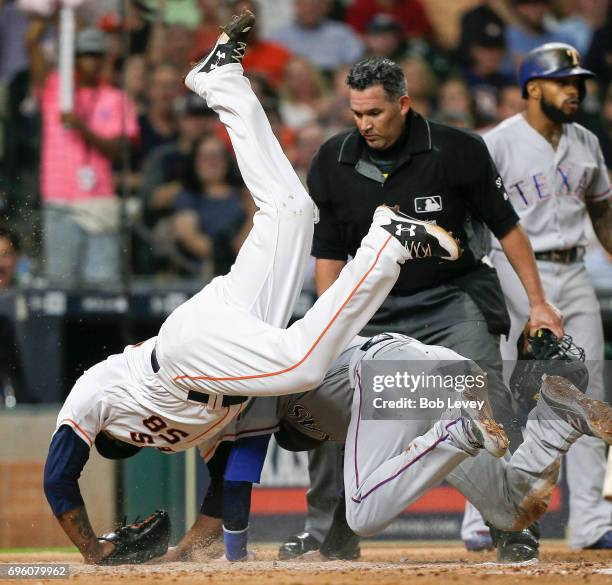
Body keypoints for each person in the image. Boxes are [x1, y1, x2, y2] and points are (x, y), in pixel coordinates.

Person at [42, 10, 461, 565]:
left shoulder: (99, 389)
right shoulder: (205, 427)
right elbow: (234, 480)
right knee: (291, 213)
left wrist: (94, 550)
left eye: (135, 441)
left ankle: (385, 246)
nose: (141, 442)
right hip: (223, 341)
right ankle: (222, 82)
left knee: (304, 365)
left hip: (187, 352)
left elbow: (59, 476)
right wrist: (211, 556)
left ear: (126, 442)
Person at [279, 55, 563, 561]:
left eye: (376, 113)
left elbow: (507, 228)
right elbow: (327, 253)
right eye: (357, 114)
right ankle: (330, 528)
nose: (365, 125)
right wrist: (327, 332)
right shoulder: (331, 159)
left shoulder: (458, 150)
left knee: (482, 390)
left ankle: (509, 525)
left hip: (453, 298)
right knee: (318, 391)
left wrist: (539, 304)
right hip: (373, 307)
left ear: (404, 104)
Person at [153, 332, 612, 564]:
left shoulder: (259, 379)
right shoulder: (332, 413)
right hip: (446, 371)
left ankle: (459, 431)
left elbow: (233, 481)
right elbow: (368, 476)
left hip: (392, 373)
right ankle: (555, 422)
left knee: (364, 514)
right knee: (513, 511)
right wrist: (331, 551)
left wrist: (208, 552)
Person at [485, 42, 612, 550]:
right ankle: (489, 513)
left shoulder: (586, 140)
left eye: (577, 83)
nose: (574, 90)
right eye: (564, 81)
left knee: (591, 396)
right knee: (511, 393)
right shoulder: (499, 143)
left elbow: (601, 210)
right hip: (515, 271)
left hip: (574, 268)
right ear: (533, 88)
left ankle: (589, 522)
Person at [25, 21, 139, 286]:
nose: (94, 61)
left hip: (100, 200)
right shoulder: (55, 88)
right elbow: (31, 44)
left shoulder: (116, 97)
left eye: (99, 55)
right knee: (61, 283)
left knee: (102, 286)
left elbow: (121, 150)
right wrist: (46, 15)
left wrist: (81, 127)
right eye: (87, 54)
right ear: (74, 59)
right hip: (59, 198)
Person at [266, 0, 364, 73]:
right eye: (306, 5)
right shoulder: (277, 37)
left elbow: (356, 65)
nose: (310, 9)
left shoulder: (343, 34)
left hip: (334, 89)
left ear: (327, 7)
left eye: (316, 5)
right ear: (296, 5)